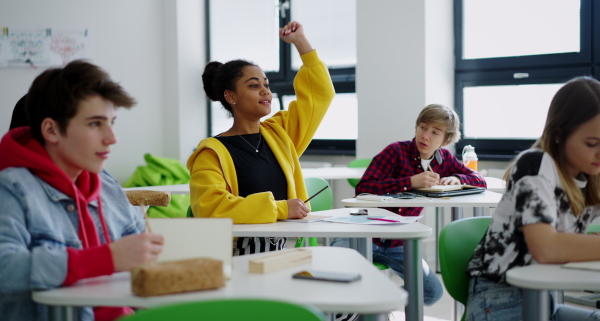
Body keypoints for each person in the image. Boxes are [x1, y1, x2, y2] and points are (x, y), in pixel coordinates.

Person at [0, 60, 164, 321]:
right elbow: (5, 269)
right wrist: (103, 259)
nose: (112, 138)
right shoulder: (12, 189)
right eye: (95, 124)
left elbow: (148, 264)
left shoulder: (108, 188)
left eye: (112, 122)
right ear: (51, 130)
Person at [187, 21, 335, 256]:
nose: (266, 91)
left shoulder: (280, 134)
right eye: (254, 85)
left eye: (266, 84)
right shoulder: (211, 153)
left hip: (289, 251)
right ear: (230, 96)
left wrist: (300, 42)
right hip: (240, 257)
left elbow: (320, 95)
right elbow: (211, 208)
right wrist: (280, 208)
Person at [466, 76, 600, 320]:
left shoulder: (592, 173)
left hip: (543, 299)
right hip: (498, 300)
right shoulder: (536, 164)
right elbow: (546, 248)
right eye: (592, 143)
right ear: (559, 134)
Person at [332, 104, 487, 306]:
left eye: (435, 132)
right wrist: (410, 182)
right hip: (363, 233)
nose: (426, 136)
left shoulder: (445, 160)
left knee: (432, 293)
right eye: (423, 127)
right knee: (336, 279)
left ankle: (378, 298)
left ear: (446, 140)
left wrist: (457, 178)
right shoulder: (395, 152)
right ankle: (369, 306)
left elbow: (479, 179)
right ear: (416, 127)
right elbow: (363, 188)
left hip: (398, 242)